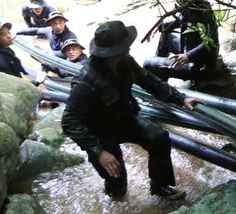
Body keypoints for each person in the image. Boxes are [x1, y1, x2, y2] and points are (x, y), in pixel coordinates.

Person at [62, 20, 197, 200]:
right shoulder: (85, 81)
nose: (129, 48)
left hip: (124, 119)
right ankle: (113, 199)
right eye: (125, 45)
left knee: (158, 137)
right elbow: (69, 121)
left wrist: (181, 98)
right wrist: (98, 152)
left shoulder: (125, 61)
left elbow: (150, 81)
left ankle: (160, 186)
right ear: (113, 51)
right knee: (117, 183)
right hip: (99, 134)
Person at [141, 0, 219, 81]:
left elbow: (210, 42)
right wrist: (161, 26)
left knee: (148, 63)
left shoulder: (204, 11)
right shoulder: (190, 7)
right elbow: (182, 21)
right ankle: (160, 73)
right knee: (166, 35)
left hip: (200, 65)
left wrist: (188, 56)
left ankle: (159, 80)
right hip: (189, 50)